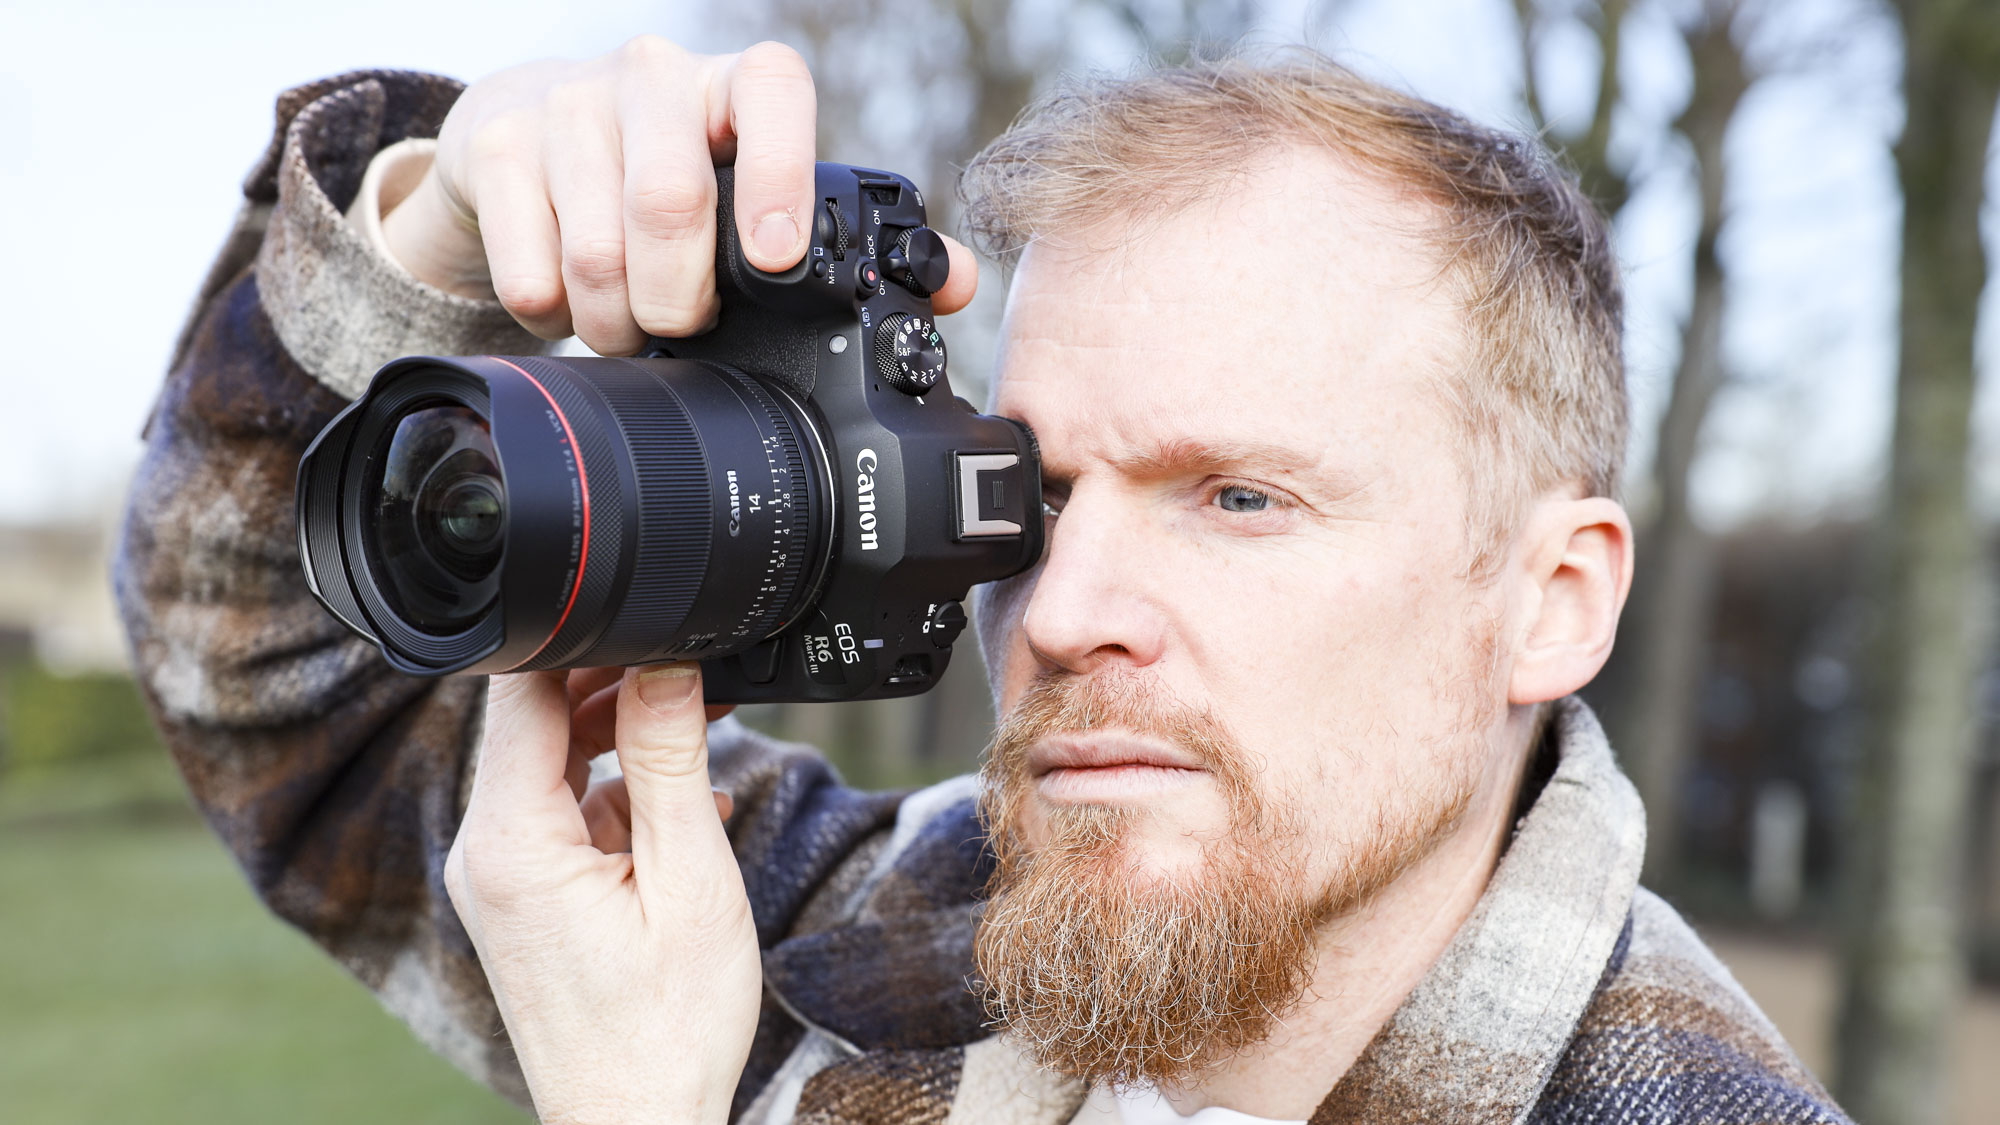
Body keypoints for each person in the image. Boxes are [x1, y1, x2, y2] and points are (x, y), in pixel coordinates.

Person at [114, 36, 1852, 1125]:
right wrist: (434, 234)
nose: (1063, 608)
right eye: (1039, 491)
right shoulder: (855, 932)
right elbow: (274, 676)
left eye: (1238, 497)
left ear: (1554, 600)